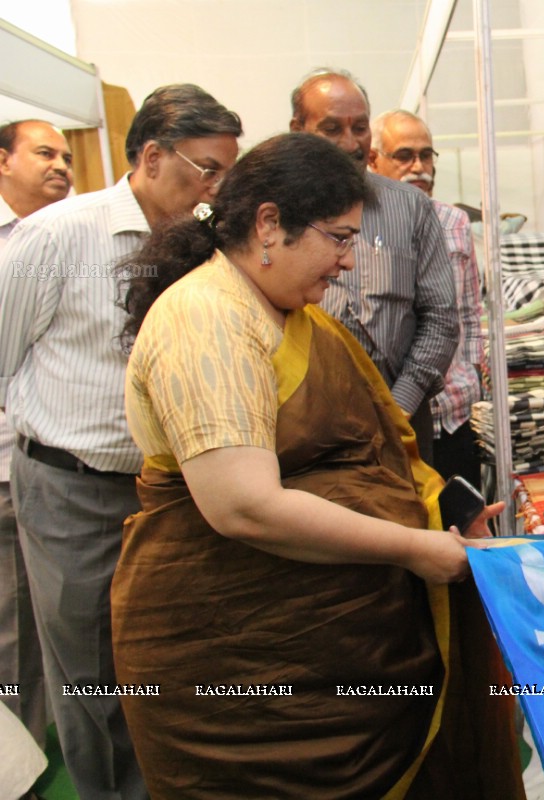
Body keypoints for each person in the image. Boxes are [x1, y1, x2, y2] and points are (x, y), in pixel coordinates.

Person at [114, 132, 517, 798]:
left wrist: (446, 509)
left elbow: (369, 448)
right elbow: (244, 505)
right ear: (269, 223)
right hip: (237, 665)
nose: (348, 261)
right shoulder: (207, 319)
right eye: (337, 238)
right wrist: (415, 549)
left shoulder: (291, 315)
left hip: (335, 651)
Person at [0, 85, 241, 799]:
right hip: (72, 489)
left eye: (226, 170)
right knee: (91, 670)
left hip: (169, 488)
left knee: (168, 657)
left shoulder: (203, 244)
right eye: (206, 169)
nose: (215, 187)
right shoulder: (58, 237)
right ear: (152, 156)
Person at [290, 69, 458, 464]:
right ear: (298, 129)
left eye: (360, 128)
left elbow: (441, 318)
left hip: (402, 421)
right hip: (307, 429)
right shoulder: (277, 209)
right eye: (331, 128)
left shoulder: (410, 207)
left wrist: (398, 407)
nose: (349, 143)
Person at [0, 118, 72, 751]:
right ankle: (20, 765)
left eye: (67, 155)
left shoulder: (73, 237)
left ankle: (43, 739)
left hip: (59, 469)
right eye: (45, 153)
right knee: (14, 625)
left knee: (56, 626)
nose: (61, 165)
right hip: (10, 465)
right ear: (3, 161)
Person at [370, 109, 485, 488]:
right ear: (374, 160)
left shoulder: (455, 222)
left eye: (426, 155)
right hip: (392, 416)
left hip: (452, 412)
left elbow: (468, 313)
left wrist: (468, 377)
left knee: (462, 521)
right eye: (404, 156)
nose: (418, 166)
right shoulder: (362, 224)